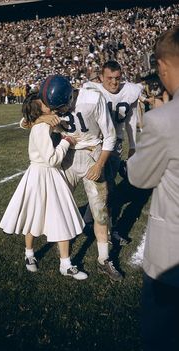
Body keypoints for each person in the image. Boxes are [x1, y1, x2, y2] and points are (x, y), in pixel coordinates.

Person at [22, 74, 123, 282]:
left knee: (100, 211)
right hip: (66, 157)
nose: (57, 113)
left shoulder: (92, 99)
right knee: (56, 207)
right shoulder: (48, 103)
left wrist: (99, 164)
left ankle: (104, 259)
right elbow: (24, 121)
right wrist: (41, 118)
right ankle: (63, 260)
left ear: (69, 98)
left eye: (59, 108)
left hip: (91, 155)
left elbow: (110, 136)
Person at [127, 25, 179, 351]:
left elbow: (139, 178)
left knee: (161, 339)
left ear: (162, 66)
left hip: (172, 259)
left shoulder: (164, 121)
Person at [0, 93, 87, 280]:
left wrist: (57, 126)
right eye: (45, 105)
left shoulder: (46, 121)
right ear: (40, 110)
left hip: (50, 175)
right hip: (41, 173)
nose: (50, 105)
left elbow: (33, 122)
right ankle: (29, 254)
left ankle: (66, 264)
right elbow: (52, 159)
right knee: (33, 215)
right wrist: (66, 141)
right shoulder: (39, 127)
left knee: (61, 215)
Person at [83, 61, 151, 245]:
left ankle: (92, 222)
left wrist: (133, 146)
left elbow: (131, 119)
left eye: (117, 78)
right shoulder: (92, 89)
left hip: (115, 145)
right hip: (97, 145)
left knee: (105, 189)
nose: (114, 83)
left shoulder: (130, 91)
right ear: (101, 78)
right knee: (104, 188)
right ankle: (101, 226)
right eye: (109, 78)